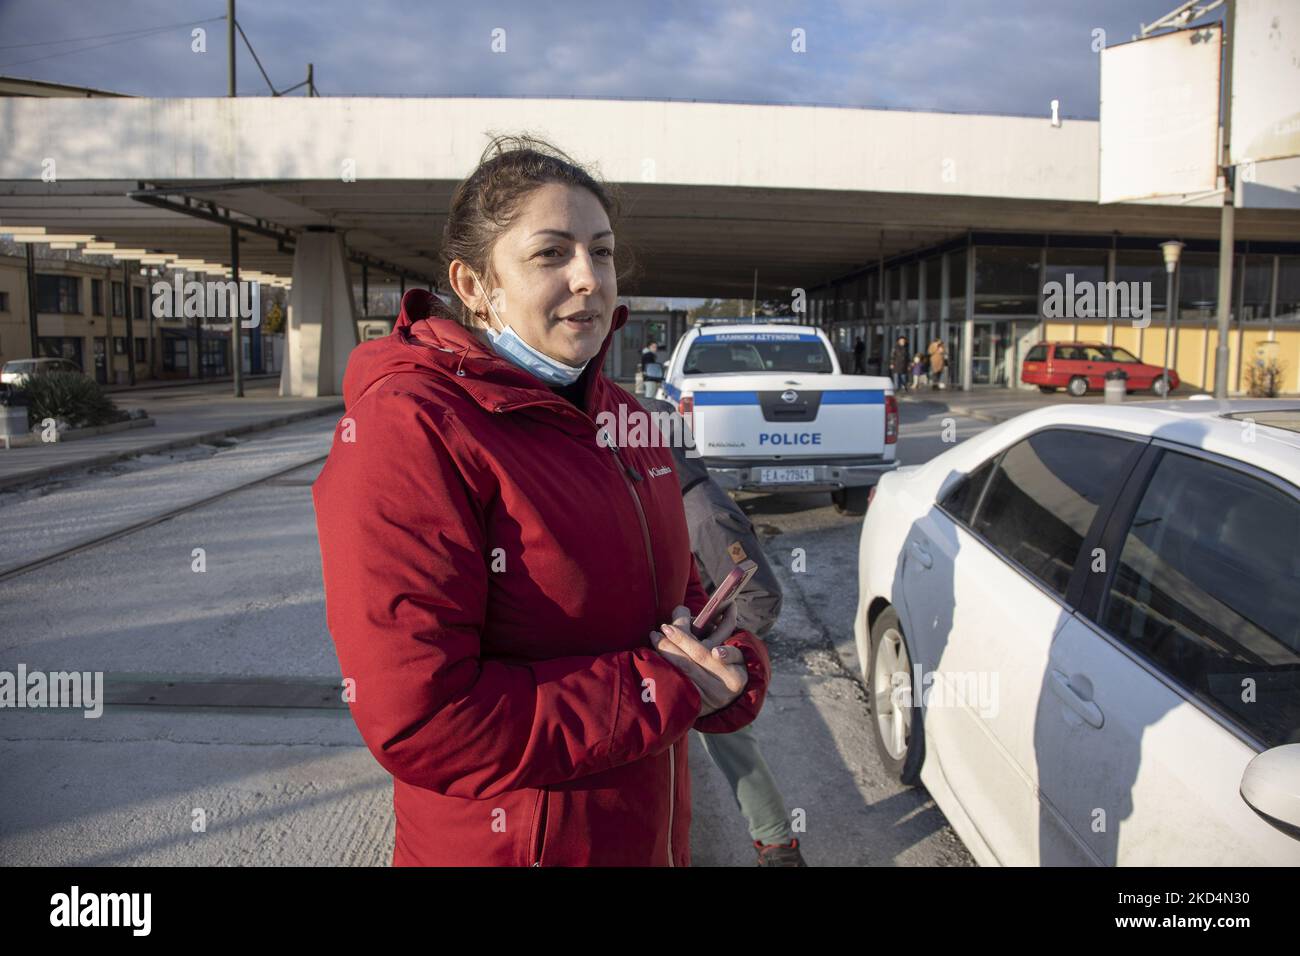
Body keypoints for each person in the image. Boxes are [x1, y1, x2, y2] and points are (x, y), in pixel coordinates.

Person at [312, 134, 771, 867]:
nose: (589, 278)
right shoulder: (411, 428)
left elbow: (682, 602)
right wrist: (662, 691)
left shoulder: (627, 421)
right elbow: (424, 718)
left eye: (603, 250)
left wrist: (730, 667)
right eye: (551, 253)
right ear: (473, 285)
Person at [638, 395, 806, 866]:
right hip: (672, 643)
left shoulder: (703, 513)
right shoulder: (660, 496)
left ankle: (777, 844)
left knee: (733, 746)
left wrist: (719, 646)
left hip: (705, 655)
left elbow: (762, 598)